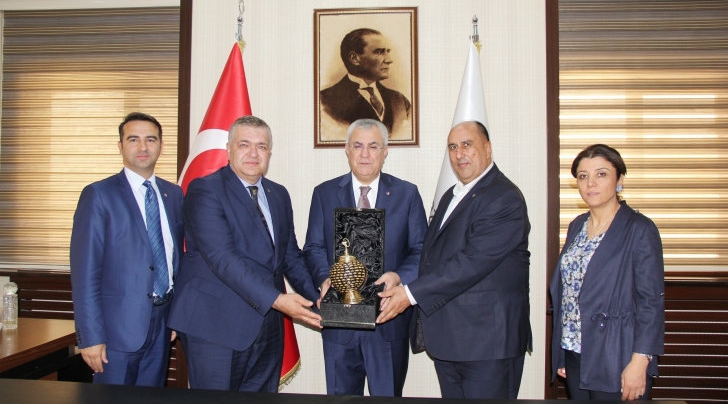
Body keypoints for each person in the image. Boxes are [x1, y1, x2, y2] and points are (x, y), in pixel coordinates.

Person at [377, 120, 532, 399]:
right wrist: (399, 276)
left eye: (467, 145)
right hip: (451, 341)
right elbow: (432, 256)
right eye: (452, 147)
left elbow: (471, 263)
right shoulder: (452, 195)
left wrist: (409, 294)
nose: (459, 154)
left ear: (487, 148)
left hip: (487, 346)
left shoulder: (504, 197)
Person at [167, 115, 322, 392]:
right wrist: (278, 300)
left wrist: (319, 298)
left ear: (269, 152)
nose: (253, 153)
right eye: (244, 145)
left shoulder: (278, 194)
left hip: (268, 327)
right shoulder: (205, 190)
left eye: (261, 147)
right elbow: (223, 259)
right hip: (215, 325)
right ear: (228, 149)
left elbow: (289, 256)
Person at [303, 118, 427, 396]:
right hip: (339, 325)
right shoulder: (324, 193)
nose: (365, 154)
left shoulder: (407, 194)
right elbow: (313, 247)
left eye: (373, 146)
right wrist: (324, 279)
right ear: (347, 150)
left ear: (385, 151)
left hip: (388, 322)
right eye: (358, 146)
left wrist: (399, 277)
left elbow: (421, 250)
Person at [70, 112, 184, 386]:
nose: (143, 147)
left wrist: (176, 317)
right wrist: (91, 337)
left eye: (150, 140)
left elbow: (177, 260)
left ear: (161, 146)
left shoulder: (173, 194)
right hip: (116, 331)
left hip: (162, 324)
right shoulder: (99, 194)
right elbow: (85, 273)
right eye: (133, 139)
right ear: (120, 146)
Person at [549, 144, 664, 401]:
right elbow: (568, 292)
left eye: (601, 174)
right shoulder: (577, 225)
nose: (591, 183)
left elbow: (650, 302)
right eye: (583, 176)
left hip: (618, 353)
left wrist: (640, 361)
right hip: (575, 351)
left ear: (619, 180)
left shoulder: (639, 229)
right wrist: (561, 352)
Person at [320, 28, 411, 140]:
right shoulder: (324, 102)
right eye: (379, 52)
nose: (389, 60)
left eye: (387, 51)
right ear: (354, 58)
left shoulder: (400, 101)